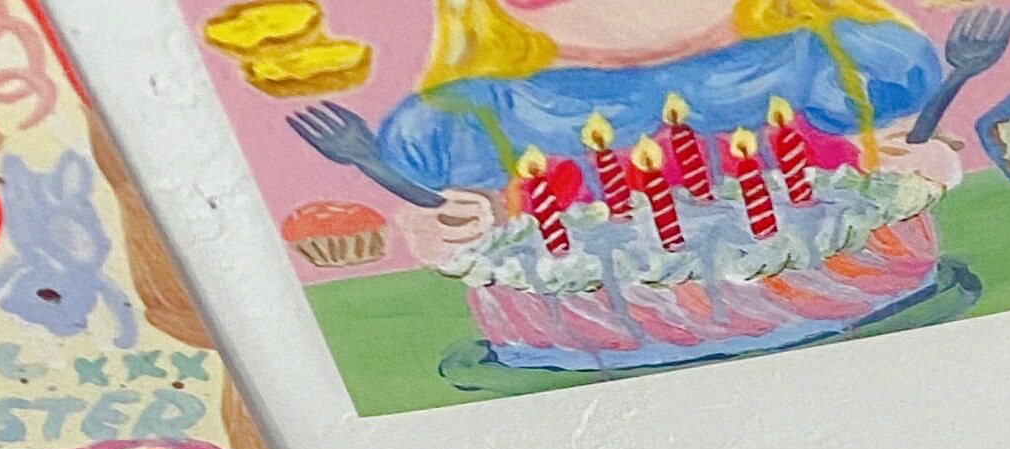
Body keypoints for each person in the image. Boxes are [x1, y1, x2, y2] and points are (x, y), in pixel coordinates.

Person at [376, 0, 958, 262]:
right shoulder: (478, 114)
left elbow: (904, 148)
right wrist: (445, 229)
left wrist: (922, 164)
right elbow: (468, 216)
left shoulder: (831, 57)